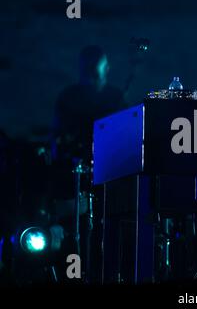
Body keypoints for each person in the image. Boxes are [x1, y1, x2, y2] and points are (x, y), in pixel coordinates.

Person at [50, 45, 127, 282]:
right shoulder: (68, 97)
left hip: (109, 177)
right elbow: (57, 140)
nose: (94, 74)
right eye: (90, 69)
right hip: (75, 177)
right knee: (78, 229)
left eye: (98, 68)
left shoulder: (115, 97)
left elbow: (126, 136)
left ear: (106, 68)